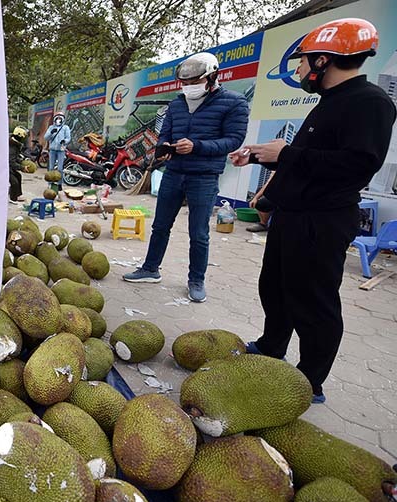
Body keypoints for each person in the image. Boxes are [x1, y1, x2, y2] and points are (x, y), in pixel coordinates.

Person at [230, 18, 395, 404]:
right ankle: (272, 347)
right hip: (292, 215)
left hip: (322, 221)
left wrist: (286, 153)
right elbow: (311, 161)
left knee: (314, 302)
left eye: (303, 62)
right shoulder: (329, 103)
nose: (300, 69)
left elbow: (357, 165)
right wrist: (261, 155)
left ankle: (309, 382)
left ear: (324, 60)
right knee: (275, 289)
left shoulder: (370, 103)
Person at [123, 52, 249, 303]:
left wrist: (197, 146)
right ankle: (150, 269)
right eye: (186, 83)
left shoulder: (234, 102)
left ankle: (196, 279)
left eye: (195, 82)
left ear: (212, 77)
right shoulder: (177, 104)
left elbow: (234, 140)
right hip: (174, 173)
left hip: (204, 176)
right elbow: (163, 134)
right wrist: (165, 148)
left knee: (199, 232)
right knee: (160, 225)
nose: (189, 87)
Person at [44, 112, 71, 198]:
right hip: (52, 150)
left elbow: (68, 138)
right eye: (57, 118)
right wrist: (51, 133)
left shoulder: (65, 128)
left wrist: (64, 141)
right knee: (51, 167)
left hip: (61, 150)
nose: (58, 119)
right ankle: (50, 183)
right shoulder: (51, 127)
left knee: (60, 168)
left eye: (60, 118)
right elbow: (46, 137)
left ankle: (59, 184)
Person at [8, 126, 27, 204]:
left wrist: (22, 161)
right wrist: (22, 167)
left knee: (18, 176)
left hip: (9, 166)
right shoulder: (12, 146)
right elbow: (11, 162)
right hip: (5, 168)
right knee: (14, 182)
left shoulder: (15, 144)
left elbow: (15, 158)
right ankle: (12, 198)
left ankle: (18, 195)